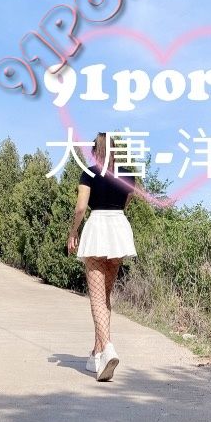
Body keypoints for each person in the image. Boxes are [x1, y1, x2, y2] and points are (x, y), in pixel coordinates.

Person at [67, 132, 137, 382]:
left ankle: (107, 348)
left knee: (96, 298)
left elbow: (80, 208)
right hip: (118, 230)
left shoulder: (89, 173)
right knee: (105, 296)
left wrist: (73, 231)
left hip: (97, 228)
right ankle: (97, 354)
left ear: (95, 151)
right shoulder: (128, 175)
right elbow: (126, 203)